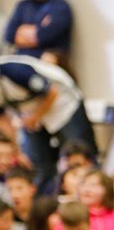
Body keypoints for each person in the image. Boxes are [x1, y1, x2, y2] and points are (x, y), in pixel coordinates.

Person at [0, 55, 95, 193]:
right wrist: (16, 150)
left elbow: (52, 91)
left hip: (62, 105)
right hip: (31, 112)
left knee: (78, 156)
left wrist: (35, 117)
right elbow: (4, 119)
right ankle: (44, 203)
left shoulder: (12, 70)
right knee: (38, 164)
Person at [3, 0, 73, 67]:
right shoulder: (23, 5)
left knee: (48, 60)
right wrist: (37, 30)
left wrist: (22, 32)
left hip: (47, 59)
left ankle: (48, 84)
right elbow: (9, 35)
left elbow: (44, 36)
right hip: (22, 58)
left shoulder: (60, 6)